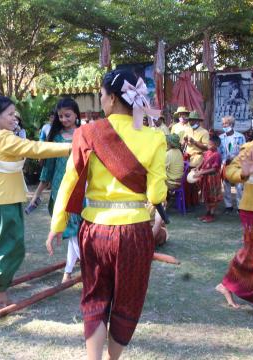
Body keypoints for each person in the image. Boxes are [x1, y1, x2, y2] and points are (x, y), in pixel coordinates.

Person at [47, 70, 167, 360]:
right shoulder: (154, 137)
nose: (101, 101)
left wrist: (57, 225)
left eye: (101, 95)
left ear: (112, 98)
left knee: (95, 297)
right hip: (134, 231)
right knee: (128, 302)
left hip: (95, 229)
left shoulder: (87, 133)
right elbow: (155, 196)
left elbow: (70, 182)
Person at [0, 96, 71, 312]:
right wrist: (71, 147)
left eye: (15, 114)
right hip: (0, 205)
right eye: (10, 114)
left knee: (1, 252)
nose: (15, 118)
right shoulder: (2, 138)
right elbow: (35, 148)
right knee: (10, 252)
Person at [29, 97, 82, 283]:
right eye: (60, 116)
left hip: (82, 191)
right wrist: (37, 194)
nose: (64, 119)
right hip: (61, 192)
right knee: (75, 232)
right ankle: (82, 269)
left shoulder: (84, 134)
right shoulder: (56, 138)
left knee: (78, 232)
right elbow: (48, 170)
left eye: (67, 115)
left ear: (76, 114)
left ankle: (68, 272)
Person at [216, 139, 253, 308]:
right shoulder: (250, 148)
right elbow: (229, 171)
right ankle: (226, 284)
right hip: (252, 208)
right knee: (251, 252)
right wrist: (244, 173)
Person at [219, 115, 246, 213]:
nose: (224, 125)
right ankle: (228, 206)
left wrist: (235, 159)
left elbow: (244, 152)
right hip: (225, 165)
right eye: (223, 123)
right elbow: (219, 153)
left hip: (238, 166)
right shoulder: (221, 138)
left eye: (226, 123)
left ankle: (240, 206)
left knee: (239, 187)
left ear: (231, 124)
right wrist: (224, 161)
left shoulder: (240, 136)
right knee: (226, 186)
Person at [183, 111, 209, 208]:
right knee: (187, 181)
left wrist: (195, 142)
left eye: (193, 120)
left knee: (194, 181)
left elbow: (206, 148)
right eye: (190, 120)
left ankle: (195, 201)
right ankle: (189, 201)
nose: (191, 122)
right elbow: (184, 143)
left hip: (197, 158)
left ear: (198, 121)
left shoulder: (204, 132)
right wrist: (184, 141)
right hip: (187, 157)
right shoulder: (187, 129)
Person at [194, 135, 223, 223]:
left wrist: (201, 173)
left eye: (210, 144)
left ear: (216, 145)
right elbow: (203, 161)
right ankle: (207, 213)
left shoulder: (217, 155)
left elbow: (214, 169)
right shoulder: (207, 152)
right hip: (205, 178)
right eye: (208, 144)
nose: (208, 146)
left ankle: (212, 214)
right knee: (206, 196)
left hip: (213, 178)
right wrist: (197, 167)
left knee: (212, 197)